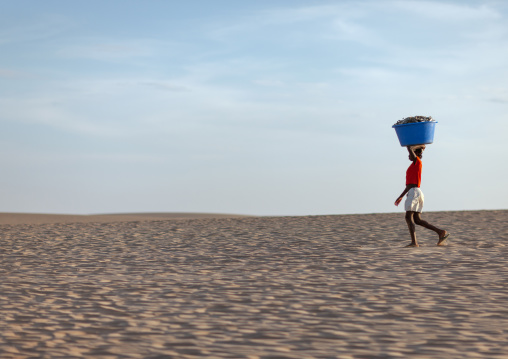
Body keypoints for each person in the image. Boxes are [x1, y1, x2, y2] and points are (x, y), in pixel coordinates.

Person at [394, 145, 449, 247]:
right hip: (416, 192)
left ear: (416, 153)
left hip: (414, 192)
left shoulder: (417, 162)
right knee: (417, 220)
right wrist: (401, 196)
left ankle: (414, 242)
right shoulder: (414, 166)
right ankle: (440, 232)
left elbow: (410, 148)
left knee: (408, 216)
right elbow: (410, 184)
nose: (408, 156)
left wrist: (421, 146)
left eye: (411, 154)